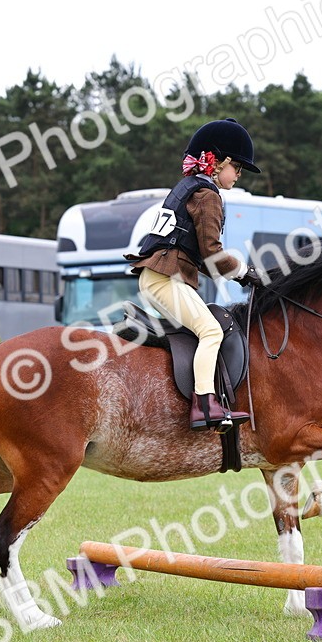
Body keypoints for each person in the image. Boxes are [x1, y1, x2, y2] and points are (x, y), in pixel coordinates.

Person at [126, 118, 263, 431]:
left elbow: (199, 255)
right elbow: (212, 252)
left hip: (159, 275)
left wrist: (238, 274)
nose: (238, 175)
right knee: (211, 331)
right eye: (237, 167)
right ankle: (204, 405)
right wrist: (244, 271)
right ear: (220, 163)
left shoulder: (188, 188)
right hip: (165, 279)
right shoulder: (207, 195)